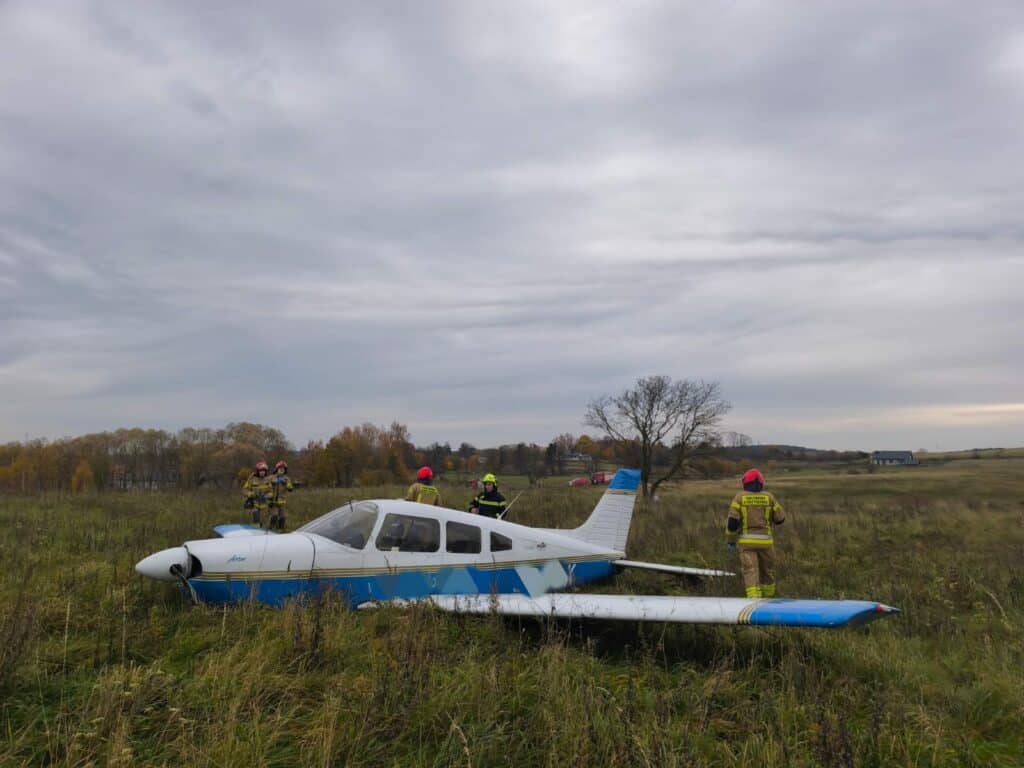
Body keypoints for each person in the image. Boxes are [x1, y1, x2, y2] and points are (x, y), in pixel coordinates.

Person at [727, 468, 785, 598]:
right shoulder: (769, 497)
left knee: (750, 571)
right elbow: (780, 519)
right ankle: (768, 600)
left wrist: (731, 541)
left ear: (745, 483)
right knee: (767, 572)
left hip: (747, 544)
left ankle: (754, 601)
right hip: (766, 543)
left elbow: (732, 524)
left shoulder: (739, 497)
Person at [243, 460, 274, 526]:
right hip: (254, 503)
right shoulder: (252, 479)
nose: (262, 472)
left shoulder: (268, 480)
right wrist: (252, 494)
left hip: (264, 504)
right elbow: (244, 490)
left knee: (264, 522)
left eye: (264, 471)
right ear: (257, 471)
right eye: (261, 471)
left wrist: (266, 496)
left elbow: (271, 492)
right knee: (255, 517)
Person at [267, 460, 294, 532]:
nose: (282, 470)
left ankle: (280, 530)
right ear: (277, 469)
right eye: (280, 468)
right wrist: (272, 482)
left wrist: (286, 483)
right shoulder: (271, 477)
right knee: (274, 515)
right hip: (273, 501)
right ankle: (271, 528)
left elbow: (290, 488)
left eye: (283, 469)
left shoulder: (287, 478)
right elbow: (265, 484)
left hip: (282, 501)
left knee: (283, 517)